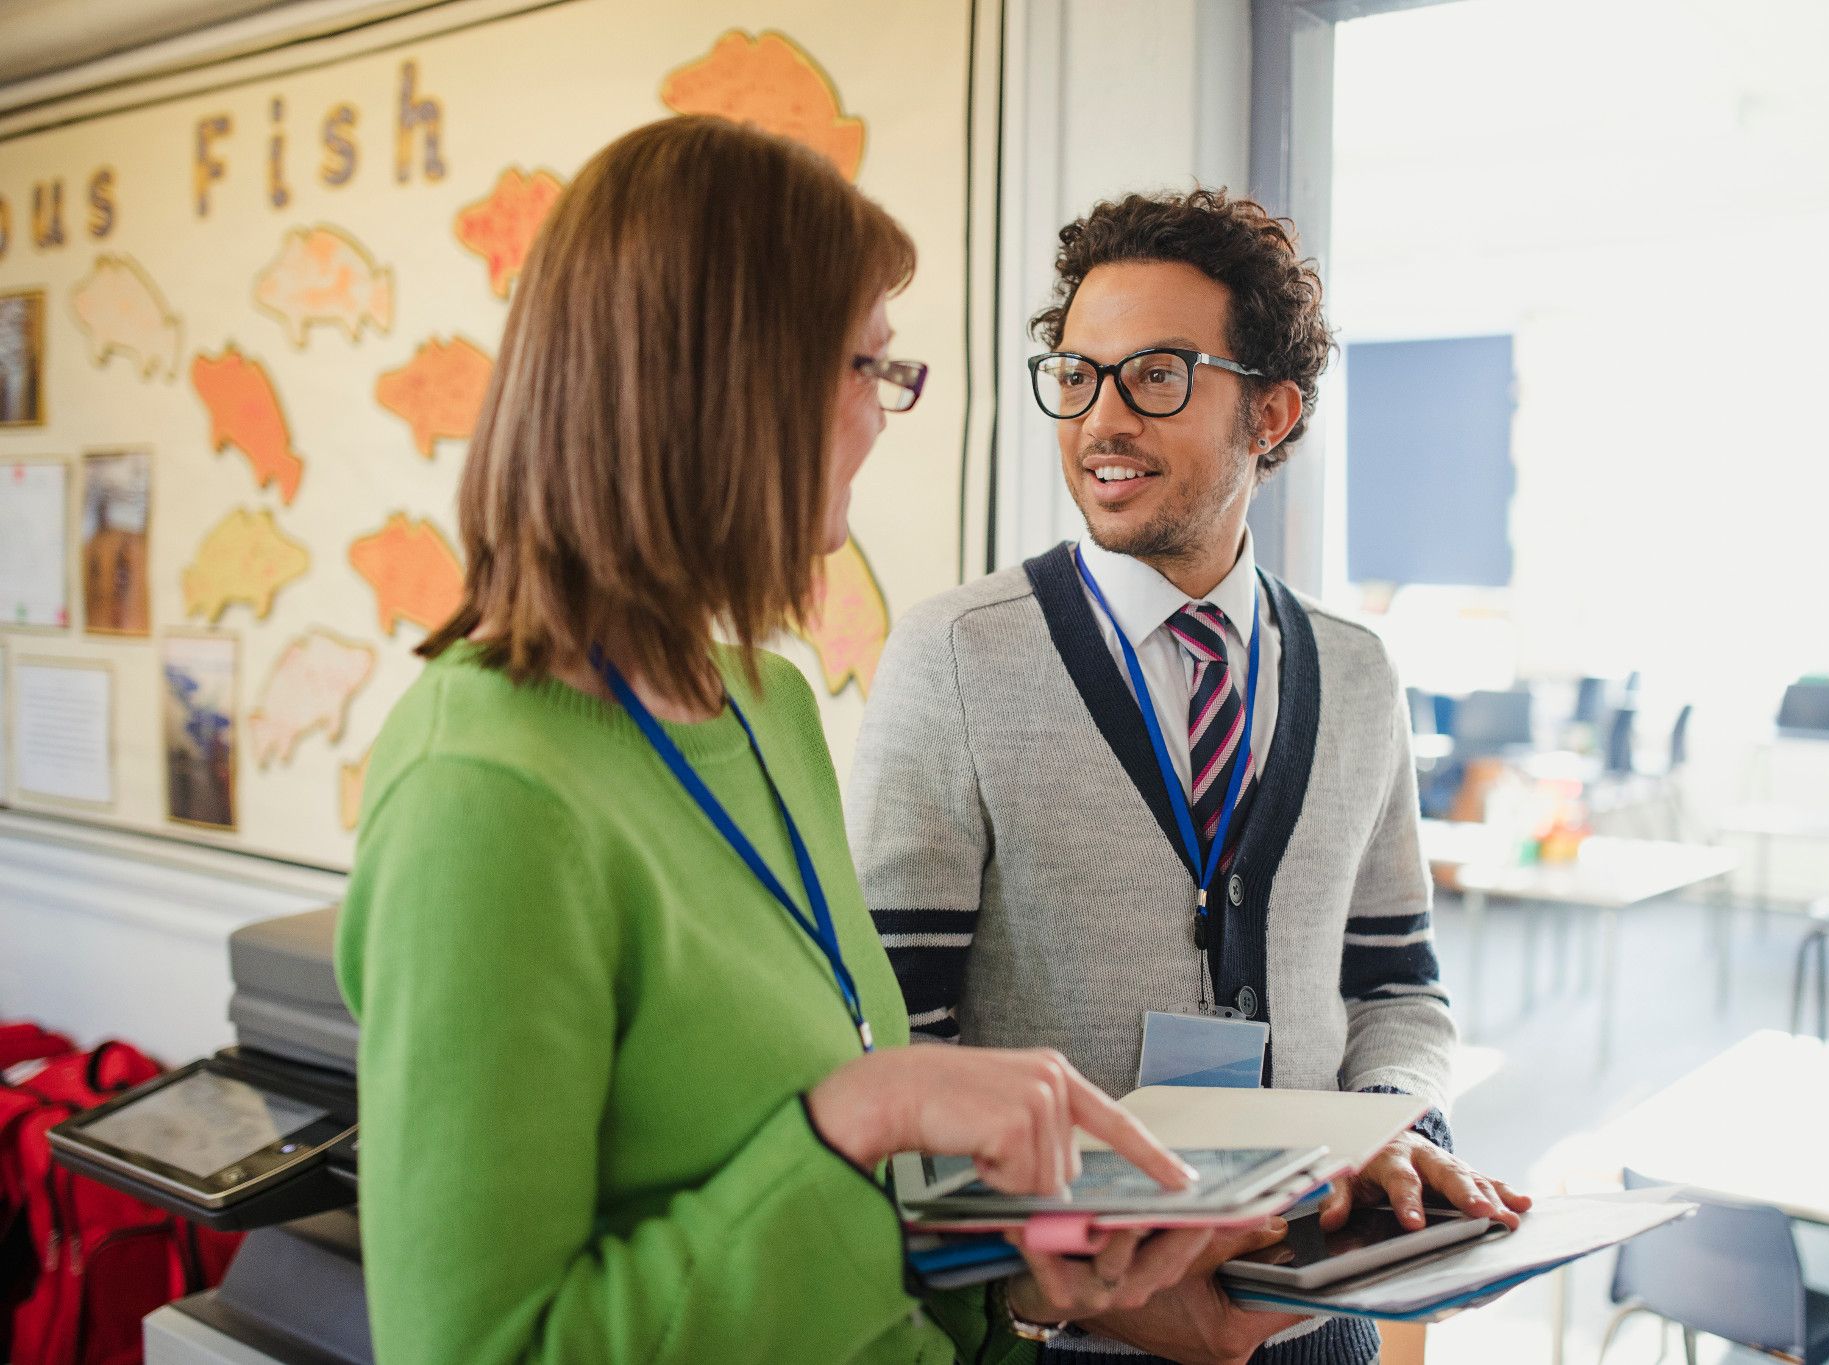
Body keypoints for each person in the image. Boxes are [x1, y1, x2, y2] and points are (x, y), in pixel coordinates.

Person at [336, 117, 1221, 1365]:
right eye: (865, 366)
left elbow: (850, 1245)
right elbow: (482, 1349)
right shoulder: (486, 789)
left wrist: (1028, 1291)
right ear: (724, 382)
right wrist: (854, 1115)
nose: (883, 411)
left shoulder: (771, 708)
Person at [849, 189, 1531, 1365]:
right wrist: (1092, 1284)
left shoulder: (1358, 674)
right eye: (1076, 375)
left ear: (1269, 413)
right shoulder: (956, 656)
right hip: (1073, 1333)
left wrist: (1385, 1138)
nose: (1099, 419)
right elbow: (900, 1035)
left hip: (1319, 1315)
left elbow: (1397, 989)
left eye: (1154, 375)